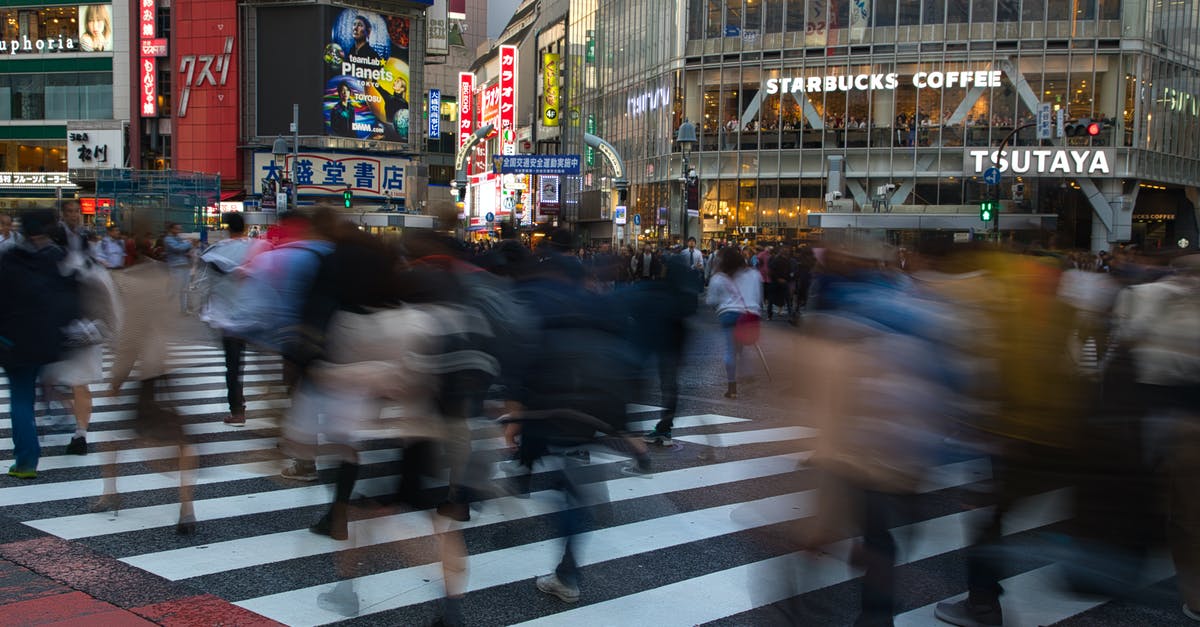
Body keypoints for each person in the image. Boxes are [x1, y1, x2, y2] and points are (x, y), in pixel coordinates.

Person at [0, 210, 79, 478]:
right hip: (48, 339)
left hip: (14, 341)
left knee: (21, 399)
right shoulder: (57, 258)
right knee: (45, 384)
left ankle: (26, 462)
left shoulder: (9, 258)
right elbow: (71, 300)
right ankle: (57, 410)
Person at [199, 213, 265, 427]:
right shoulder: (258, 248)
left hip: (227, 317)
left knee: (233, 365)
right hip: (255, 314)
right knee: (263, 360)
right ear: (245, 228)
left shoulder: (216, 251)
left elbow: (204, 281)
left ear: (228, 228)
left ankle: (237, 410)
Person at [706, 246, 762, 399]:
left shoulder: (719, 278)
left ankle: (732, 387)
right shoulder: (754, 274)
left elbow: (710, 301)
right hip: (748, 315)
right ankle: (748, 374)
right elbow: (758, 297)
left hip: (728, 314)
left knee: (730, 349)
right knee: (741, 348)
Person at [163, 222, 194, 313]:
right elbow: (178, 248)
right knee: (177, 287)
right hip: (176, 266)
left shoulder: (179, 238)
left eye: (180, 229)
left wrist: (188, 252)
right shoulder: (168, 239)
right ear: (171, 229)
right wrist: (189, 243)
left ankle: (184, 309)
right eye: (177, 229)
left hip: (184, 265)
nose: (179, 231)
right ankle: (168, 300)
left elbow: (184, 249)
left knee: (185, 288)